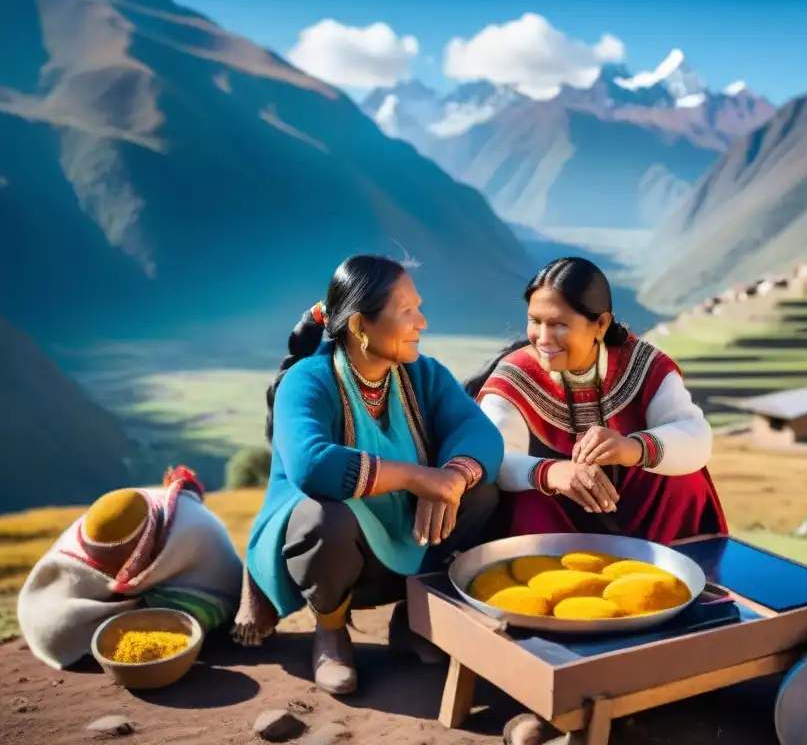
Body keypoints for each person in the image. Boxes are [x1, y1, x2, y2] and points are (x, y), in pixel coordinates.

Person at [231, 254, 503, 697]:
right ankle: (331, 632)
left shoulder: (423, 374)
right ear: (359, 326)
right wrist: (418, 478)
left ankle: (416, 615)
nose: (422, 322)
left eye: (419, 307)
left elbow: (480, 434)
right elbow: (313, 465)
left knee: (481, 491)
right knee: (324, 518)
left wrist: (452, 476)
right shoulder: (308, 382)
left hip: (412, 538)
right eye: (407, 311)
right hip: (343, 557)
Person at [465, 256, 727, 544]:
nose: (543, 338)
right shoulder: (514, 377)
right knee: (529, 502)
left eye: (559, 324)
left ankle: (681, 563)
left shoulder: (643, 364)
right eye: (535, 321)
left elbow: (695, 436)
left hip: (643, 515)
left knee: (683, 480)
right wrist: (552, 472)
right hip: (556, 519)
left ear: (600, 324)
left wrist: (632, 448)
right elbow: (495, 457)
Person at [17, 466, 243, 670]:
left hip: (187, 588)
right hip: (125, 598)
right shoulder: (78, 545)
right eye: (106, 563)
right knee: (59, 628)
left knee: (195, 615)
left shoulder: (199, 531)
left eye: (122, 562)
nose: (115, 575)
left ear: (146, 545)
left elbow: (230, 588)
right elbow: (42, 617)